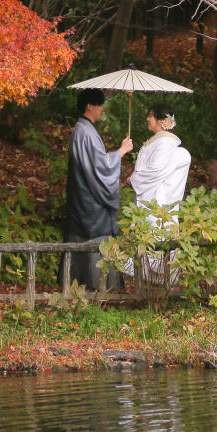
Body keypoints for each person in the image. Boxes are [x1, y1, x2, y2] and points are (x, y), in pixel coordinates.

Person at [61, 87, 132, 291]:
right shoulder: (85, 131)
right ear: (89, 106)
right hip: (89, 200)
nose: (101, 109)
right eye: (99, 105)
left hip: (81, 197)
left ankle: (84, 284)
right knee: (95, 240)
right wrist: (121, 151)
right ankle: (96, 286)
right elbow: (101, 166)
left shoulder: (83, 129)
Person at [126, 104, 191, 282]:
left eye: (151, 116)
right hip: (150, 194)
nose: (148, 119)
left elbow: (155, 171)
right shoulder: (159, 141)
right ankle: (151, 281)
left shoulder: (164, 143)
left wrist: (134, 180)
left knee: (155, 235)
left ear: (161, 122)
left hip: (155, 198)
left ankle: (157, 282)